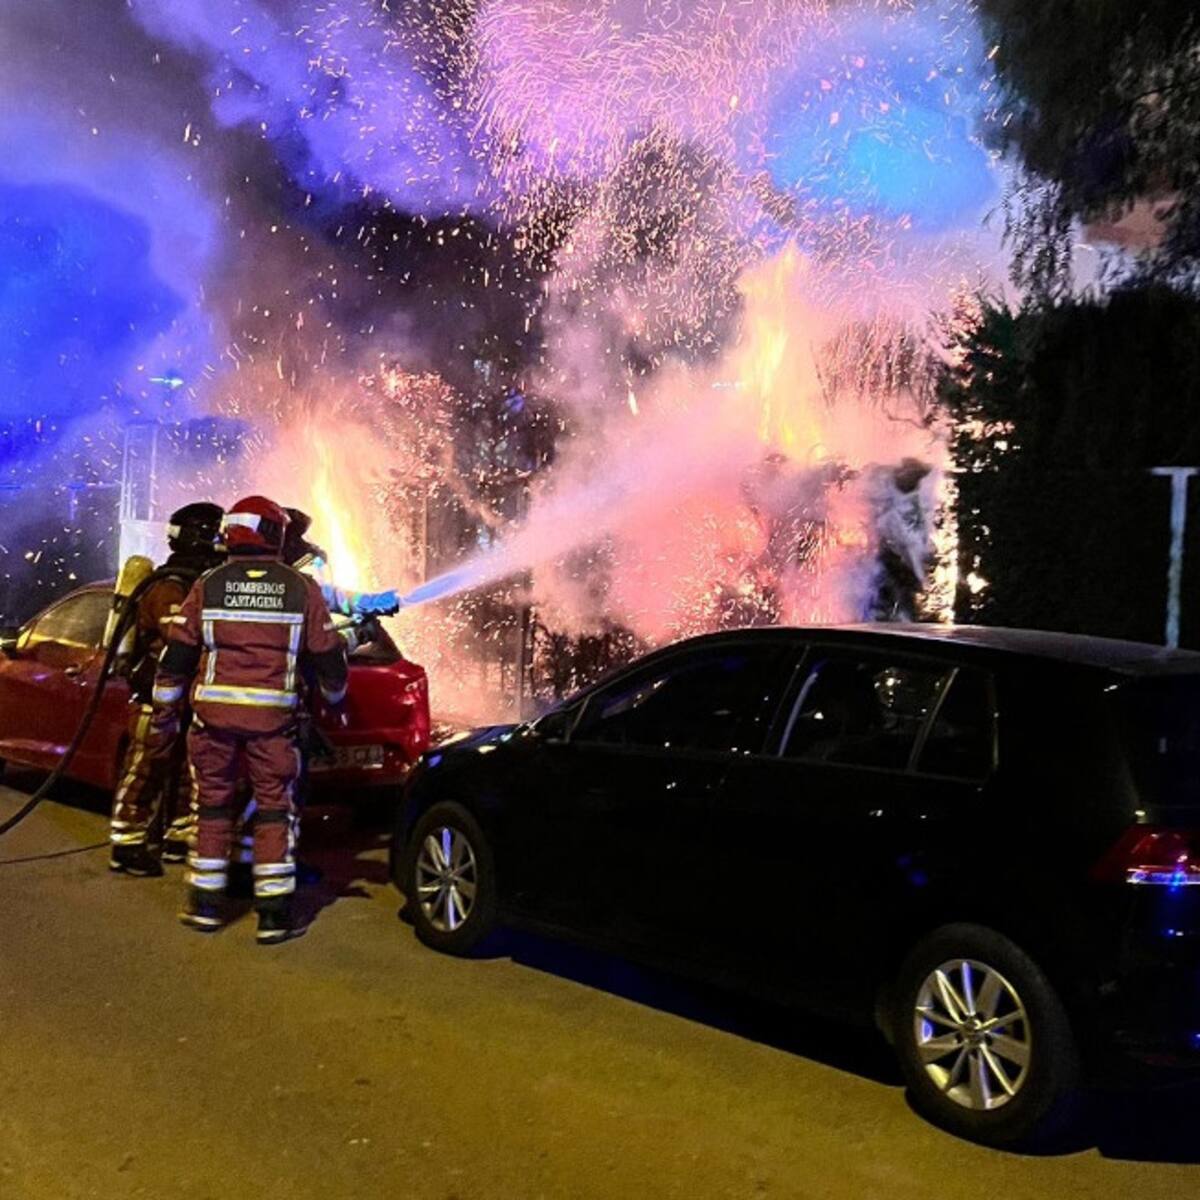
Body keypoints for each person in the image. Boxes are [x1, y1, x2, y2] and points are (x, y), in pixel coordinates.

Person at [150, 495, 348, 943]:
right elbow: (328, 656)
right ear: (275, 534)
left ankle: (204, 906)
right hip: (273, 725)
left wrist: (164, 713)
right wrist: (335, 699)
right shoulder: (300, 588)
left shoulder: (208, 584)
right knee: (275, 811)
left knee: (211, 808)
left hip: (212, 723)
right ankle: (273, 915)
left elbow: (176, 656)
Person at [109, 501, 224, 876]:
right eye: (218, 536)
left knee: (190, 771)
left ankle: (178, 836)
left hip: (189, 695)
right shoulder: (168, 586)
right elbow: (180, 634)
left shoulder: (200, 584)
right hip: (155, 696)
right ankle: (126, 844)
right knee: (147, 766)